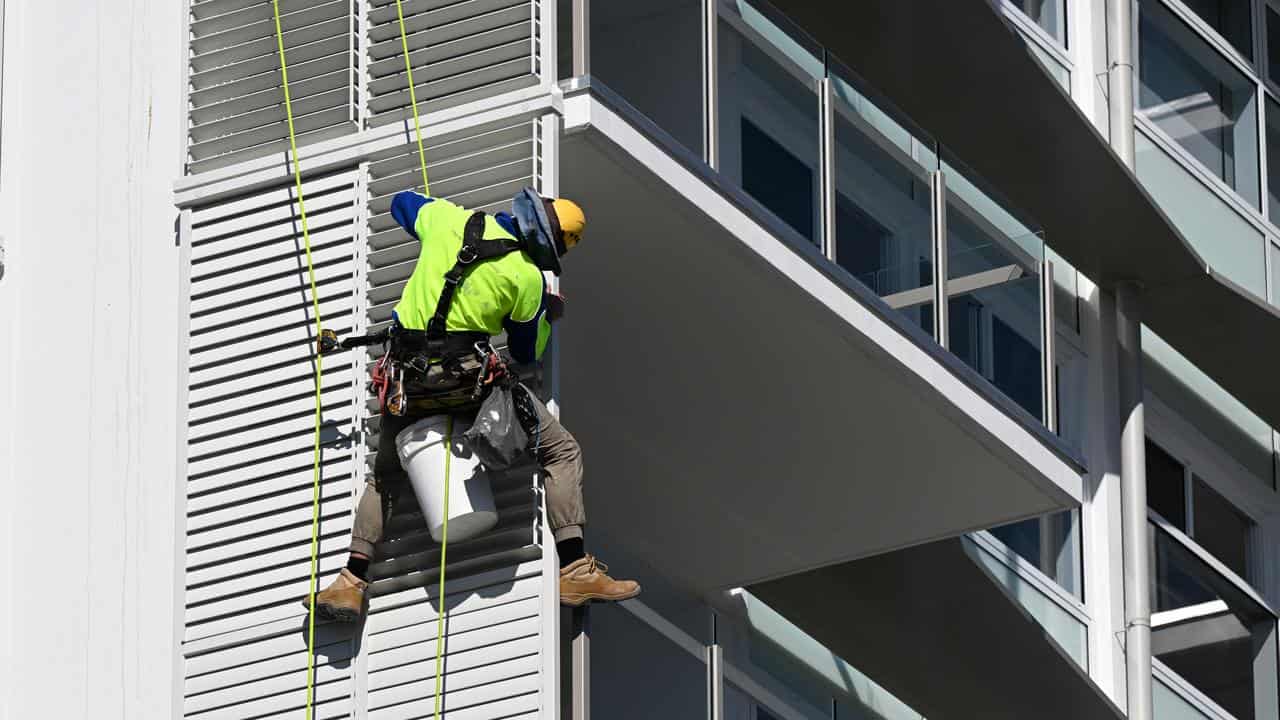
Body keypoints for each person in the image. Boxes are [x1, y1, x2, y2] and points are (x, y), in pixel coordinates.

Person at [306, 189, 640, 621]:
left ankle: (349, 583)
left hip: (406, 381)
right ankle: (575, 568)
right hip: (468, 385)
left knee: (387, 475)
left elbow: (401, 203)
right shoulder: (526, 278)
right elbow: (525, 352)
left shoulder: (448, 221)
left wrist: (437, 224)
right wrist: (545, 316)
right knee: (561, 450)